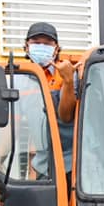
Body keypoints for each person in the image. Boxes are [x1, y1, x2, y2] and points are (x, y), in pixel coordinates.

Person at [23, 22, 76, 187]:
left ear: (56, 48)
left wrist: (67, 81)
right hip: (42, 165)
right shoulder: (20, 80)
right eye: (36, 42)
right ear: (26, 47)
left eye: (47, 43)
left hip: (70, 164)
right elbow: (12, 125)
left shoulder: (68, 74)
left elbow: (66, 116)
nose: (41, 46)